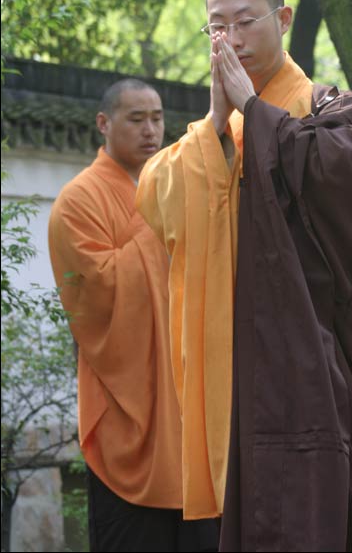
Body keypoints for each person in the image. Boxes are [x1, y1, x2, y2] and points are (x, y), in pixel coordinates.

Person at [136, 0, 352, 552]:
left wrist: (255, 113)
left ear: (282, 19)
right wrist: (218, 119)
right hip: (235, 363)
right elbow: (156, 198)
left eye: (244, 22)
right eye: (217, 27)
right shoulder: (215, 131)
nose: (230, 40)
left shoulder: (330, 108)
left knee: (319, 512)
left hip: (312, 362)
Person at [48, 79, 220, 553]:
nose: (151, 131)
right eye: (136, 119)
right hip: (127, 414)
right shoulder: (77, 201)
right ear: (103, 123)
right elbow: (97, 295)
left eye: (157, 119)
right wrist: (159, 216)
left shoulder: (175, 187)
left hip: (193, 411)